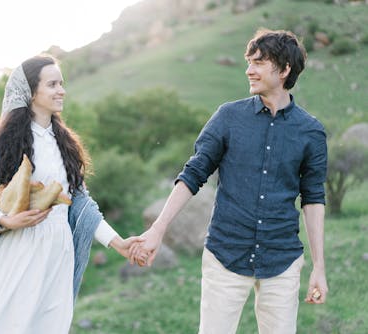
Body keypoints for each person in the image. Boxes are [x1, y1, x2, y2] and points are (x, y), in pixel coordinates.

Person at [131, 29, 328, 334]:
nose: (249, 69)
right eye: (249, 62)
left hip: (282, 261)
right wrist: (158, 229)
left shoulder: (311, 132)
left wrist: (319, 267)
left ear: (285, 69)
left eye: (259, 62)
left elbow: (313, 199)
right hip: (225, 255)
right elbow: (193, 174)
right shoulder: (227, 117)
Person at [0, 54, 147, 333]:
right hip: (21, 248)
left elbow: (81, 204)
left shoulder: (65, 143)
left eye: (61, 83)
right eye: (52, 84)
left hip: (59, 252)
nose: (61, 90)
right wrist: (3, 219)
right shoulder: (9, 143)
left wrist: (118, 243)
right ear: (31, 92)